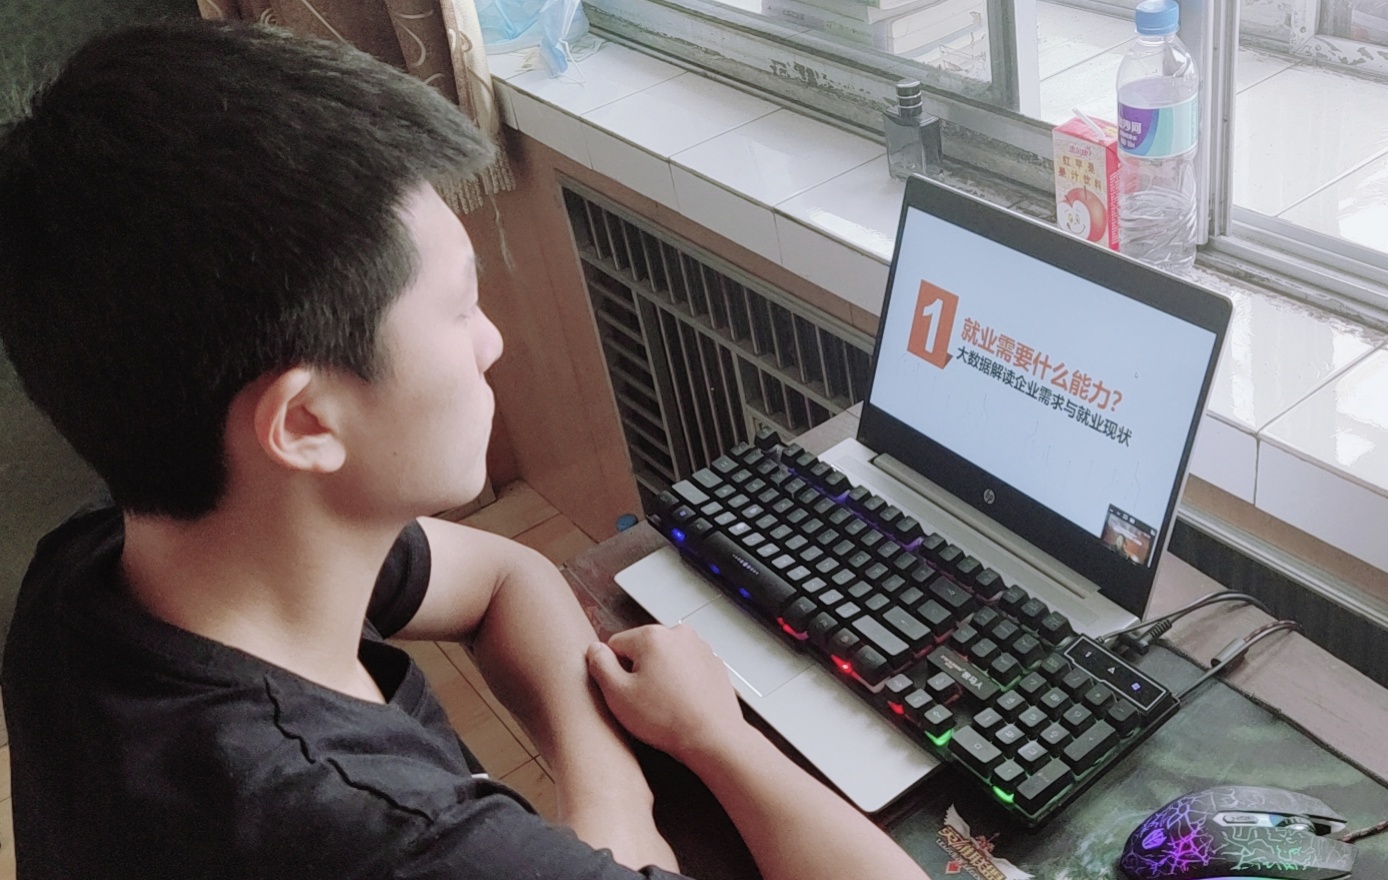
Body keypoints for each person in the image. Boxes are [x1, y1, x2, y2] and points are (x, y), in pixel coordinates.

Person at [0, 19, 931, 880]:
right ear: (307, 424)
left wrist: (607, 797)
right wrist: (716, 739)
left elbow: (505, 577)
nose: (492, 342)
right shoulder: (397, 843)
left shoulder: (108, 567)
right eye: (457, 309)